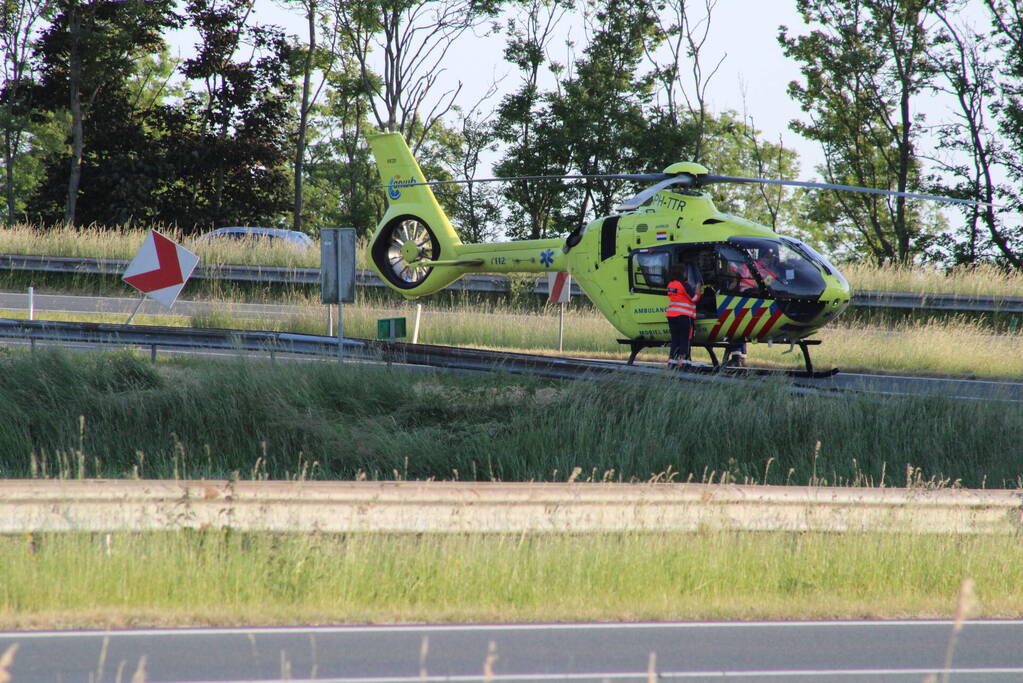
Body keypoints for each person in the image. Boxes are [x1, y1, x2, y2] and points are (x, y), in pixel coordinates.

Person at [665, 267, 701, 367]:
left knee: (675, 338)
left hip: (671, 315)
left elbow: (680, 296)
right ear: (682, 273)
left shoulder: (670, 284)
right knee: (685, 338)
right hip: (684, 315)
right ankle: (684, 362)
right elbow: (694, 298)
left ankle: (672, 360)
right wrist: (698, 290)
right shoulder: (684, 285)